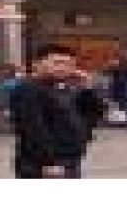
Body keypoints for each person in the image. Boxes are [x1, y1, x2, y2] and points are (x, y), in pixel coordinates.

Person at [9, 45, 89, 179]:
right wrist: (49, 161)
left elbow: (91, 115)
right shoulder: (28, 89)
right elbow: (33, 129)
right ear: (36, 65)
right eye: (57, 63)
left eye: (70, 64)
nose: (63, 68)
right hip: (44, 165)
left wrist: (87, 87)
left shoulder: (61, 88)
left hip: (68, 160)